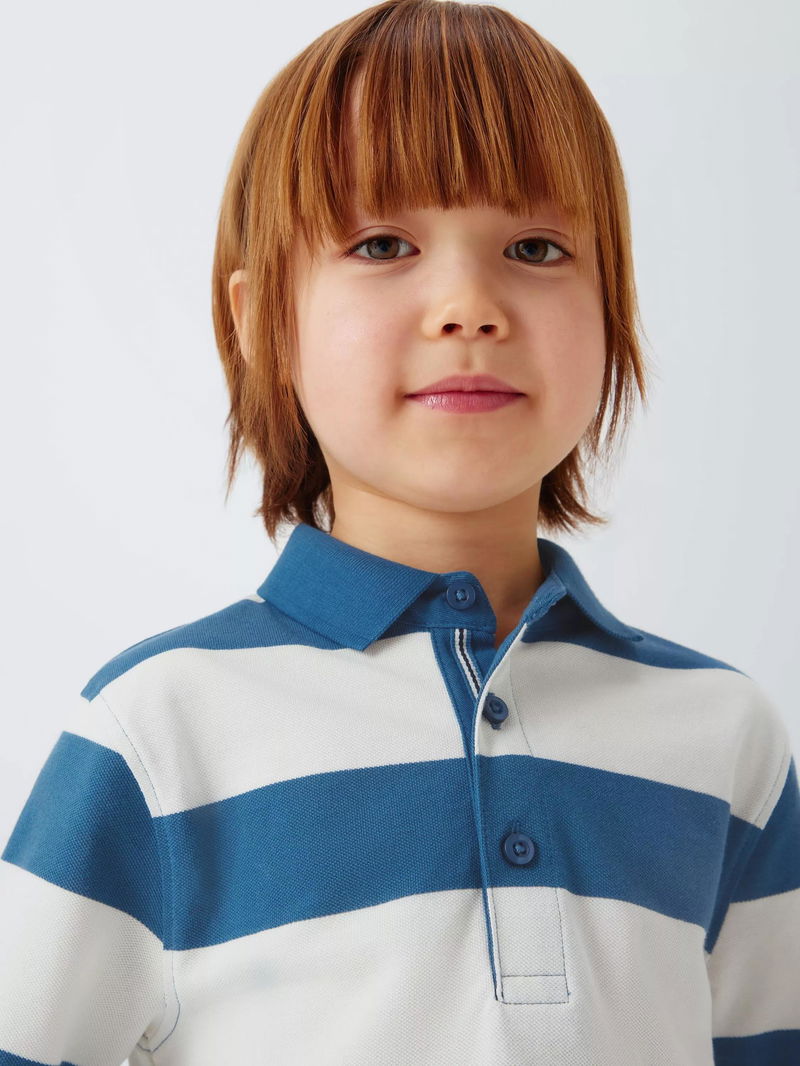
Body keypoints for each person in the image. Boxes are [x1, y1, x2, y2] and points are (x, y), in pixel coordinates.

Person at [1, 1, 798, 1063]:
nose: (468, 306)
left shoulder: (724, 740)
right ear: (258, 320)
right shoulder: (156, 735)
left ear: (614, 310)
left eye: (535, 246)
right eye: (382, 244)